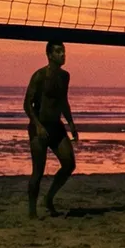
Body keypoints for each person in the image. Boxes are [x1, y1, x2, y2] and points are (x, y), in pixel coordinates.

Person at [23, 41, 77, 218]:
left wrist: (71, 125)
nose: (63, 55)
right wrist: (38, 126)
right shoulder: (39, 76)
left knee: (69, 164)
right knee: (38, 172)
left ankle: (49, 198)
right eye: (59, 52)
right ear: (49, 55)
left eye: (64, 51)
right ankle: (32, 212)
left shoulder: (65, 76)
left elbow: (63, 102)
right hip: (39, 127)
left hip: (56, 127)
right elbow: (27, 104)